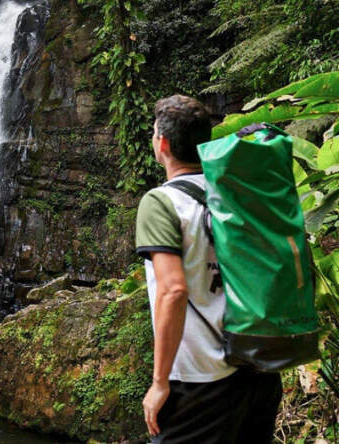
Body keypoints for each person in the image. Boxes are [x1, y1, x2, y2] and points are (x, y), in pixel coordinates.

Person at [135, 95, 282, 443]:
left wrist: (159, 383)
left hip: (200, 383)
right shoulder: (237, 195)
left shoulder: (161, 202)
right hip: (258, 374)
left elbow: (173, 291)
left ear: (163, 143)